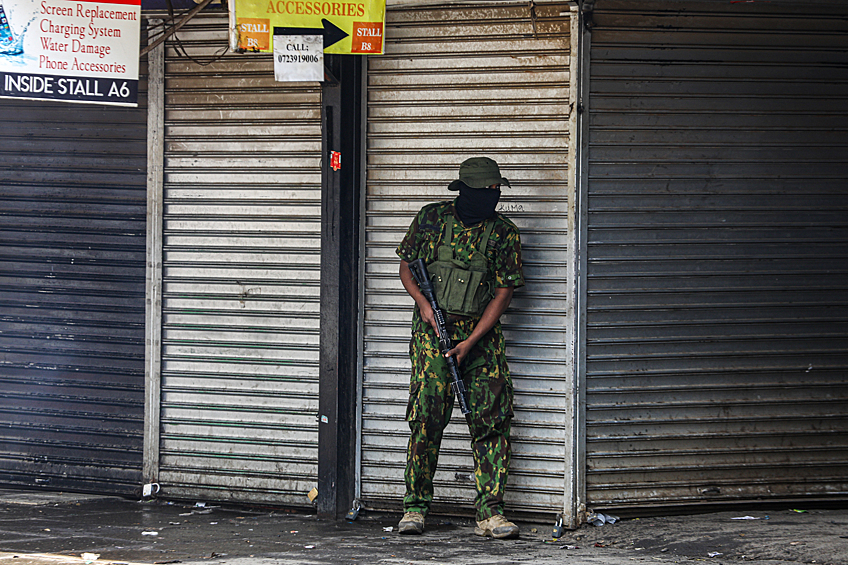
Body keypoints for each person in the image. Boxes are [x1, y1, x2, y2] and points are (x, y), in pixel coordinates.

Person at [395, 157, 525, 539]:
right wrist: (422, 304)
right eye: (486, 190)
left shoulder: (503, 233)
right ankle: (415, 508)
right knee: (426, 418)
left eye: (496, 190)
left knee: (491, 420)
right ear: (465, 190)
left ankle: (490, 513)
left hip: (481, 340)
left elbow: (504, 291)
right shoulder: (431, 219)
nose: (493, 196)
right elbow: (406, 264)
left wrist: (471, 341)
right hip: (433, 335)